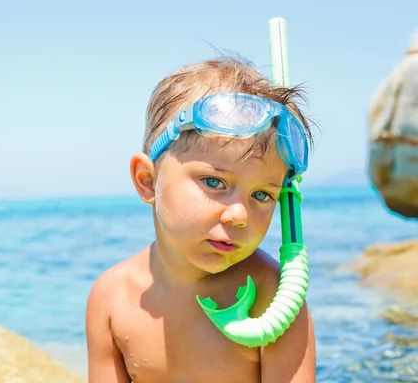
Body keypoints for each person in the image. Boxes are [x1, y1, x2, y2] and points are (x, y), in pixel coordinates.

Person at [85, 56, 317, 383]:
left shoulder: (276, 300)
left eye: (263, 195)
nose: (239, 214)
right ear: (148, 180)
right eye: (214, 182)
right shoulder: (112, 298)